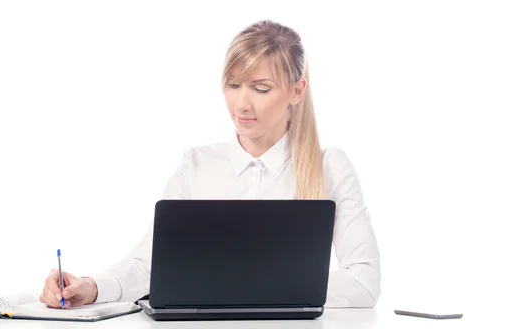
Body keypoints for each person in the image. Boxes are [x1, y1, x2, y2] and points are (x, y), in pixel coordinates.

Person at [39, 20, 381, 309]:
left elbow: (364, 280)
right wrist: (91, 286)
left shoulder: (329, 166)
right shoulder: (197, 165)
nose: (241, 104)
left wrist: (268, 290)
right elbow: (149, 266)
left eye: (261, 89)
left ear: (297, 91)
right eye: (233, 85)